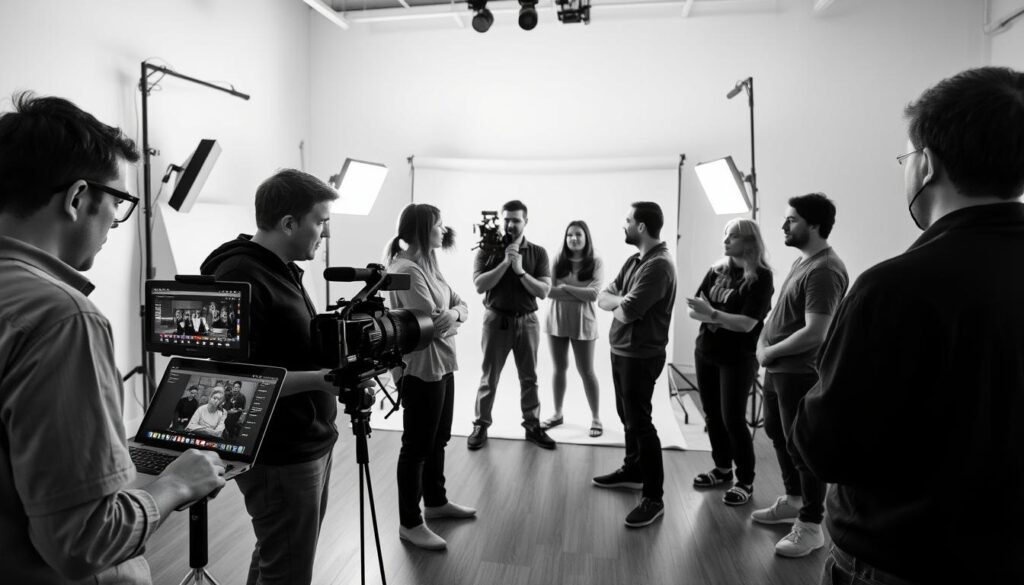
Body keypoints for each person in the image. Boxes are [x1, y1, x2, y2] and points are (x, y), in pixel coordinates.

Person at [792, 67, 1024, 584]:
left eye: (906, 157)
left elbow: (825, 448)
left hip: (901, 558)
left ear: (926, 164)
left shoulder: (892, 289)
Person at [0, 92, 225, 584]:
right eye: (118, 203)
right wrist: (175, 485)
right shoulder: (63, 318)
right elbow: (84, 543)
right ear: (78, 198)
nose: (114, 225)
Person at [201, 168, 353, 585]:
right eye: (320, 222)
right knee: (288, 566)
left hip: (307, 437)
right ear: (288, 223)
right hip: (279, 450)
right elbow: (237, 381)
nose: (325, 233)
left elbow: (285, 349)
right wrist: (320, 380)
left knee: (279, 552)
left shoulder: (280, 268)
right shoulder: (240, 275)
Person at [750, 193, 848, 557]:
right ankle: (793, 501)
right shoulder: (802, 262)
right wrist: (763, 343)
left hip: (799, 373)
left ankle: (810, 525)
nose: (783, 225)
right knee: (778, 435)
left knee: (802, 447)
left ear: (814, 225)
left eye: (791, 220)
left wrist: (769, 351)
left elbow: (815, 332)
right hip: (779, 370)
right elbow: (780, 312)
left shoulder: (825, 270)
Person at [386, 203, 477, 551]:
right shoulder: (406, 270)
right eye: (438, 225)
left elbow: (459, 306)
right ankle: (410, 523)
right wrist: (451, 317)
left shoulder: (429, 265)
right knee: (417, 447)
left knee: (438, 438)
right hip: (421, 369)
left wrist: (453, 314)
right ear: (423, 230)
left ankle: (436, 502)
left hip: (442, 364)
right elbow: (429, 325)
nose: (444, 230)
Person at [593, 202, 676, 528]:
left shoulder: (659, 266)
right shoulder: (635, 260)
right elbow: (603, 297)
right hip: (622, 350)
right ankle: (634, 470)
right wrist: (621, 301)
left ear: (641, 226)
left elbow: (626, 312)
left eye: (628, 220)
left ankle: (654, 498)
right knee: (627, 417)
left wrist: (621, 303)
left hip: (641, 355)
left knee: (640, 422)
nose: (623, 225)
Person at [686, 218, 773, 506]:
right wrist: (720, 318)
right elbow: (693, 309)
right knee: (712, 415)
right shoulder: (717, 270)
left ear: (749, 241)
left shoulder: (761, 277)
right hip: (706, 351)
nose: (725, 240)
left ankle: (745, 480)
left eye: (732, 236)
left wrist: (713, 314)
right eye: (725, 234)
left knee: (733, 419)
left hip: (738, 357)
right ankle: (722, 469)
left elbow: (747, 324)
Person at [468, 199, 556, 450]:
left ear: (525, 222)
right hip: (496, 320)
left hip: (528, 321)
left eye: (516, 220)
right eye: (506, 219)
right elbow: (479, 285)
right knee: (489, 377)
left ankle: (532, 425)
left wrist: (519, 270)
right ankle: (481, 425)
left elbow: (543, 291)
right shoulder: (487, 250)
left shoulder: (538, 252)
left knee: (529, 377)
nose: (510, 224)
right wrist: (505, 263)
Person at [541, 220, 604, 437]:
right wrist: (579, 292)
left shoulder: (595, 261)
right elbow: (548, 291)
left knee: (587, 371)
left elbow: (594, 294)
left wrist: (566, 287)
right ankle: (557, 413)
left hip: (583, 322)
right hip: (556, 320)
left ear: (586, 237)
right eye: (570, 235)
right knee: (559, 368)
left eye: (578, 234)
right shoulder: (558, 260)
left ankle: (596, 417)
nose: (573, 238)